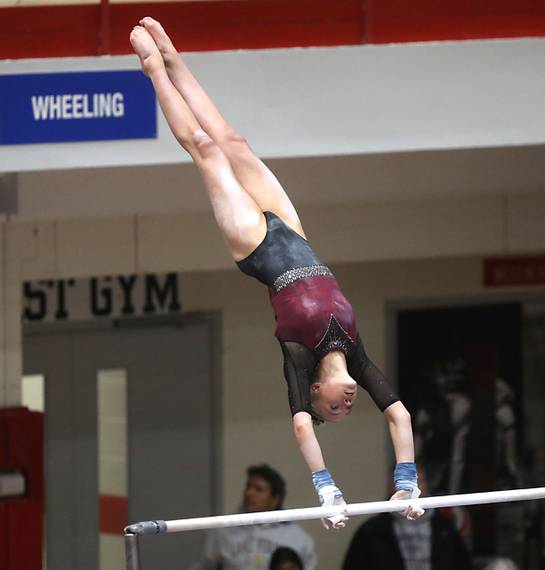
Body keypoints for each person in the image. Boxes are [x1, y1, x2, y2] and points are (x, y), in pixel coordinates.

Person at [129, 18, 423, 529]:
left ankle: (154, 69)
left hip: (258, 248)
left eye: (334, 409)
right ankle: (176, 58)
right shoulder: (356, 354)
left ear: (314, 394)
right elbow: (399, 415)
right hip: (295, 231)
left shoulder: (298, 356)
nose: (347, 404)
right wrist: (406, 480)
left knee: (205, 148)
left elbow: (302, 430)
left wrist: (327, 490)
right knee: (232, 137)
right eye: (345, 410)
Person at [341, 467, 472, 570]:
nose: (411, 491)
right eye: (404, 485)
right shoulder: (371, 531)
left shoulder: (445, 529)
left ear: (425, 484)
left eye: (418, 482)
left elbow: (463, 564)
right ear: (391, 487)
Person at [193, 464, 317, 570]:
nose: (249, 493)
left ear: (275, 499)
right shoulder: (222, 531)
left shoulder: (298, 538)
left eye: (258, 489)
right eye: (248, 486)